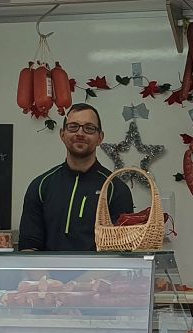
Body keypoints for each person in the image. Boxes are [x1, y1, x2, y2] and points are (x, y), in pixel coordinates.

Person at [18, 103, 134, 251]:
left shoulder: (116, 189)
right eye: (73, 127)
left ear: (100, 138)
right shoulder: (40, 186)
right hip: (46, 267)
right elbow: (28, 246)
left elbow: (122, 250)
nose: (80, 133)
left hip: (100, 268)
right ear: (62, 134)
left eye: (89, 128)